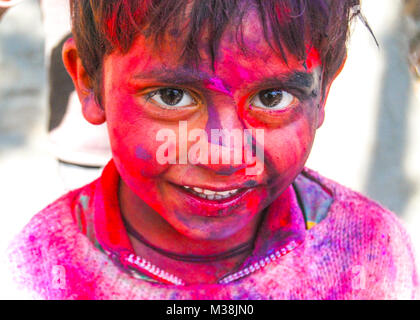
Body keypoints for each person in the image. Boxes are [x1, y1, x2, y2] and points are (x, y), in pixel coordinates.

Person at [7, 0, 419, 299]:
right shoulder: (37, 270)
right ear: (88, 82)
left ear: (323, 91)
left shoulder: (368, 254)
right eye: (171, 96)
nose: (223, 156)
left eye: (272, 97)